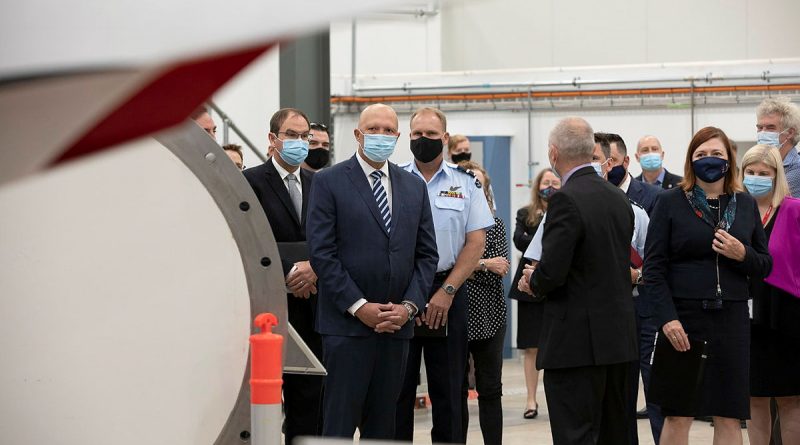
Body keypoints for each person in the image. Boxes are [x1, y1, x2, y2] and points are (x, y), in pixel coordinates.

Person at [306, 103, 438, 440]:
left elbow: (426, 256)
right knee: (338, 423)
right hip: (346, 328)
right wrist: (358, 305)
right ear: (357, 134)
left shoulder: (413, 186)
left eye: (387, 130)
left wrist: (409, 307)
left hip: (396, 328)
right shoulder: (329, 182)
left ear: (397, 137)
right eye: (372, 129)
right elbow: (323, 254)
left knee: (384, 427)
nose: (380, 135)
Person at [643, 126, 772, 445]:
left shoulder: (744, 204)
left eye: (717, 154)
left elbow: (764, 264)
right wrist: (667, 318)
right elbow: (653, 268)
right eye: (701, 154)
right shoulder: (670, 201)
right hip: (684, 319)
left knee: (728, 414)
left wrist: (742, 254)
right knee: (678, 413)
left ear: (730, 160)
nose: (709, 160)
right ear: (690, 160)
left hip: (731, 319)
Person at [518, 117, 638, 445]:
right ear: (592, 150)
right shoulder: (618, 198)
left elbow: (554, 271)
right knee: (617, 433)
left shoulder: (565, 199)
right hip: (619, 340)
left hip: (576, 345)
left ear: (553, 154)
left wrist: (534, 281)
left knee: (577, 434)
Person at [395, 107, 494, 444]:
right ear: (408, 138)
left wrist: (448, 290)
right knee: (397, 391)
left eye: (431, 135)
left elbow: (476, 242)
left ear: (446, 138)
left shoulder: (465, 184)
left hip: (447, 290)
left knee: (450, 392)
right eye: (417, 135)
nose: (424, 140)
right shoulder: (392, 180)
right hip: (400, 292)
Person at [242, 108, 322, 445]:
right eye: (292, 135)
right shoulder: (250, 181)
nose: (300, 142)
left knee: (309, 404)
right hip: (267, 308)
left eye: (305, 137)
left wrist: (313, 268)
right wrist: (291, 269)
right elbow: (248, 238)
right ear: (273, 139)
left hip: (313, 307)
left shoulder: (319, 183)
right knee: (262, 404)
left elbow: (331, 239)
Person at [740, 145, 800, 445]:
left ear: (777, 176)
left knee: (790, 398)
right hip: (746, 317)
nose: (756, 178)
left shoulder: (793, 209)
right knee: (754, 399)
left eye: (764, 173)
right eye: (750, 172)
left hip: (787, 315)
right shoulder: (734, 210)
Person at [458, 160, 508, 445]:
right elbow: (441, 264)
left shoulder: (495, 224)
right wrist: (482, 263)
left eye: (480, 185)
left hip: (490, 316)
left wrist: (464, 266)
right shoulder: (448, 224)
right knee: (456, 390)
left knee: (491, 389)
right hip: (454, 313)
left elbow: (499, 268)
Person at [508, 168, 560, 420]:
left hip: (555, 283)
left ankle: (555, 398)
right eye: (545, 182)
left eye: (554, 182)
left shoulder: (564, 210)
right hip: (528, 284)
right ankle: (531, 399)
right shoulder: (525, 213)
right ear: (537, 186)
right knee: (531, 346)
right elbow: (520, 240)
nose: (549, 186)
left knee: (556, 344)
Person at [601, 132, 662, 214]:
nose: (607, 166)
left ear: (626, 161)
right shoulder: (590, 197)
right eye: (601, 161)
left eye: (612, 160)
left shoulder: (656, 196)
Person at [756, 97, 800, 197]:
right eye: (759, 128)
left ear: (789, 133)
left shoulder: (797, 169)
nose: (762, 132)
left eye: (770, 127)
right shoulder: (760, 163)